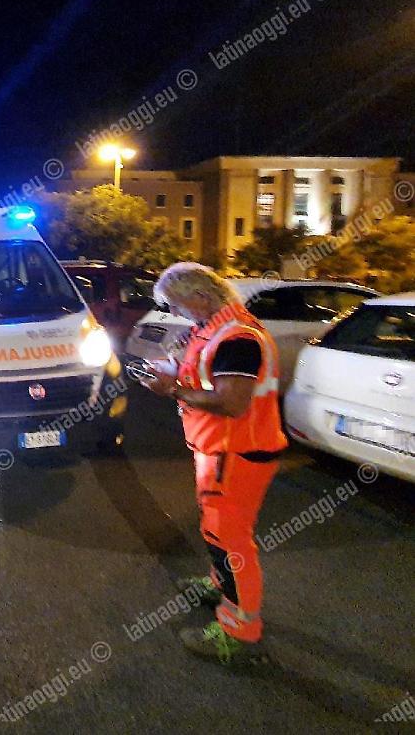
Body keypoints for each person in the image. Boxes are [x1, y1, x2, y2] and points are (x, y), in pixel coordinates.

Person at [137, 262, 286, 665]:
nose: (174, 312)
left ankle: (239, 629)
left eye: (175, 304)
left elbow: (231, 402)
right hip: (219, 450)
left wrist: (172, 390)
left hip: (236, 452)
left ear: (199, 297)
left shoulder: (237, 338)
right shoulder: (215, 327)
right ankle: (220, 583)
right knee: (215, 530)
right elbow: (200, 375)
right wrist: (173, 373)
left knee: (230, 540)